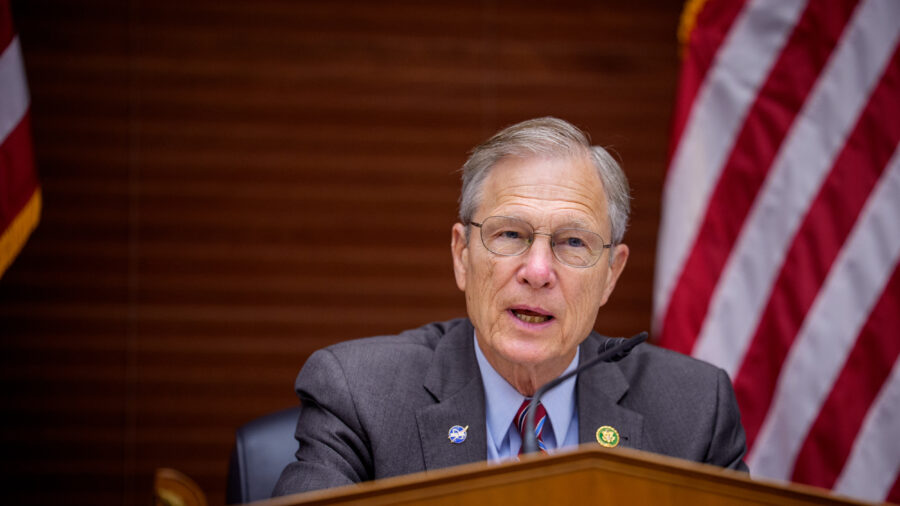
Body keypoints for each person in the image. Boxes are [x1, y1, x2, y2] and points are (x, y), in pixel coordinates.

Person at [273, 117, 748, 496]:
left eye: (573, 242)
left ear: (611, 274)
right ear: (463, 256)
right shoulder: (361, 395)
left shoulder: (694, 410)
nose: (538, 271)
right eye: (510, 235)